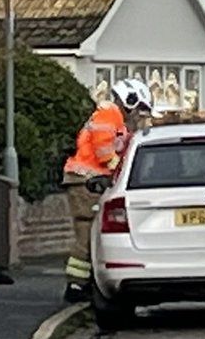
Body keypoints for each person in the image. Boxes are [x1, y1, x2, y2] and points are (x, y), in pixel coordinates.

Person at [61, 78, 153, 303]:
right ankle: (76, 286)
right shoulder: (108, 114)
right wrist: (120, 172)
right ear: (130, 101)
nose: (138, 115)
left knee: (92, 230)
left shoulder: (117, 120)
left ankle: (83, 282)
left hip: (92, 179)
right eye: (139, 109)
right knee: (87, 230)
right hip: (86, 180)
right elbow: (104, 151)